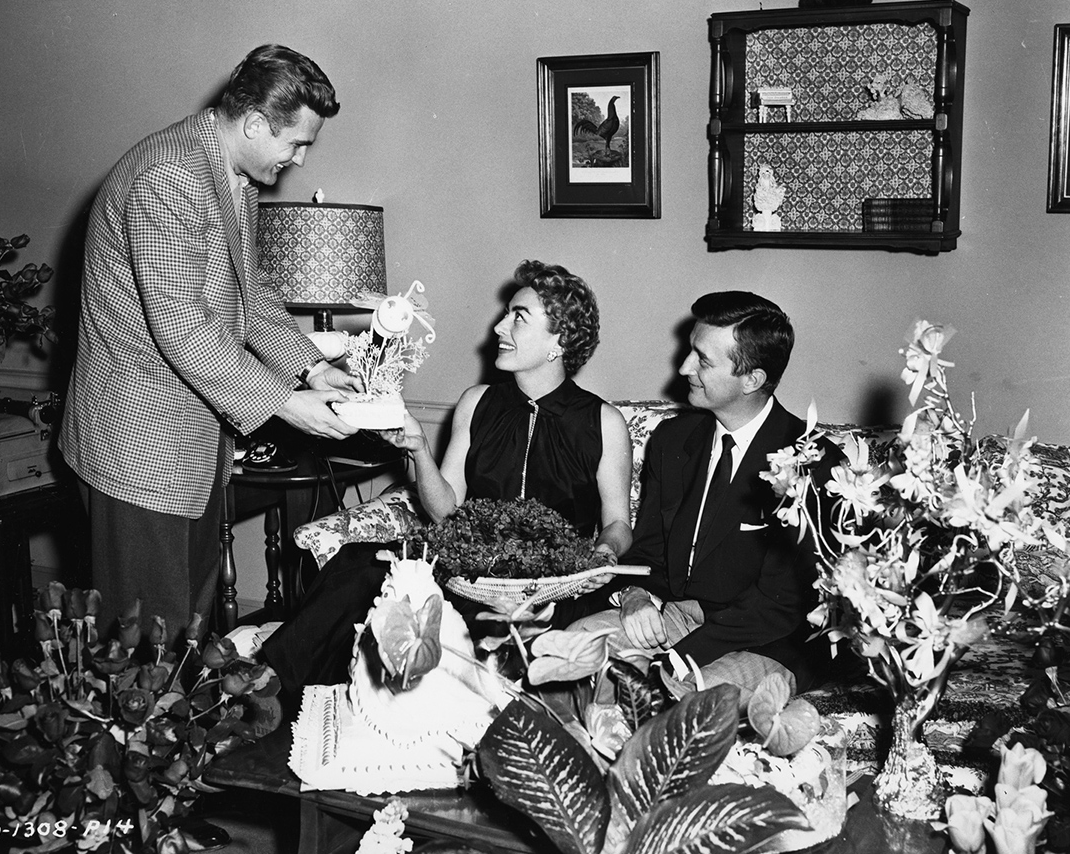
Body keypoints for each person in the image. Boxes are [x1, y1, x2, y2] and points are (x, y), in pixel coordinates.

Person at [59, 44, 362, 638]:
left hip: (191, 446)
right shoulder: (169, 176)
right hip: (139, 449)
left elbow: (252, 298)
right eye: (296, 143)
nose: (299, 160)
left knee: (187, 630)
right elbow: (182, 325)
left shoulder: (234, 172)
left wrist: (307, 370)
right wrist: (283, 402)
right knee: (145, 645)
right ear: (253, 123)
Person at [261, 260, 634, 691]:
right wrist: (420, 450)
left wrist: (604, 552)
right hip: (469, 574)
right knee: (357, 566)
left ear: (560, 340)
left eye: (518, 317)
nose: (498, 327)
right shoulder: (477, 402)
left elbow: (618, 524)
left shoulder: (603, 422)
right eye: (505, 313)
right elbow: (446, 512)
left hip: (551, 584)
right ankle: (274, 688)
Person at [568, 290, 835, 706]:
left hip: (766, 639)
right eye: (691, 350)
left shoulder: (810, 461)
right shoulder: (674, 439)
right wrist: (635, 596)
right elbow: (649, 547)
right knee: (572, 651)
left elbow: (779, 606)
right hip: (677, 614)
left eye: (703, 360)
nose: (684, 366)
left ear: (752, 379)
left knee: (680, 695)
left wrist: (675, 659)